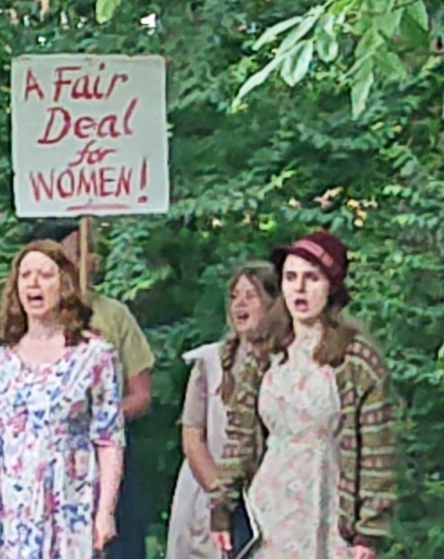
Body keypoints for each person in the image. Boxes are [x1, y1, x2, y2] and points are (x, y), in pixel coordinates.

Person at [210, 230, 395, 559]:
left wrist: (369, 531)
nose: (300, 288)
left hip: (331, 500)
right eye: (291, 277)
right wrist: (222, 505)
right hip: (269, 502)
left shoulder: (357, 360)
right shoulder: (264, 351)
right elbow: (239, 438)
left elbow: (376, 451)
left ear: (330, 287)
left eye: (312, 278)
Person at [0, 239, 125, 558]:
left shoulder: (94, 355)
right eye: (25, 275)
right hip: (0, 499)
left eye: (45, 275)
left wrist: (105, 512)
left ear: (65, 285)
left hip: (65, 497)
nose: (33, 283)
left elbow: (109, 439)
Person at [26, 220, 156, 559]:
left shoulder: (114, 315)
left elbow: (141, 395)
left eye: (91, 251)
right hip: (43, 466)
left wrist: (95, 421)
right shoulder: (25, 323)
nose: (91, 260)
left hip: (106, 458)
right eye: (78, 252)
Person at [165, 263, 280, 558]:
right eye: (234, 296)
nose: (239, 303)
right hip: (208, 493)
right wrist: (223, 497)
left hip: (271, 497)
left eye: (250, 296)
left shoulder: (287, 364)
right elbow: (193, 438)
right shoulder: (210, 362)